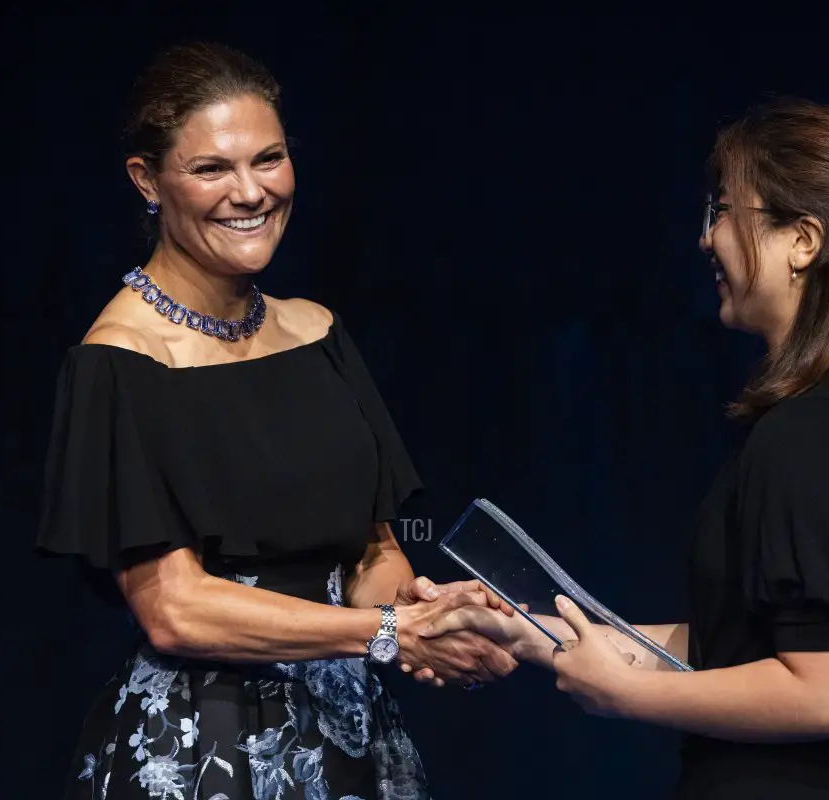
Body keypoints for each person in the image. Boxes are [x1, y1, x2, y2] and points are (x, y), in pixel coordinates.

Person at [420, 98, 829, 798]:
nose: (707, 238)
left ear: (802, 241)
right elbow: (734, 647)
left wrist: (624, 695)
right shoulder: (820, 423)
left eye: (725, 211)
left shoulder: (817, 437)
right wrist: (540, 635)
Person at [36, 41, 518, 800]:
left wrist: (432, 616)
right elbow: (175, 609)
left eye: (269, 159)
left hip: (353, 736)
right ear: (147, 181)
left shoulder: (318, 333)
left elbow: (372, 554)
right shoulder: (120, 362)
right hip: (205, 750)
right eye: (211, 169)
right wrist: (390, 636)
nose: (250, 191)